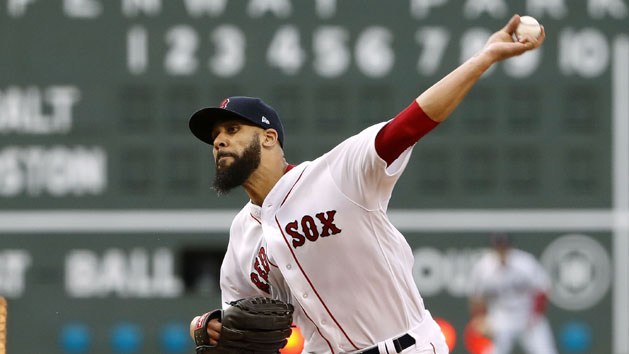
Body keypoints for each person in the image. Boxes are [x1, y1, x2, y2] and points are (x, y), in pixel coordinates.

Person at [188, 15, 545, 354]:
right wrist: (211, 326)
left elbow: (410, 124)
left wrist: (483, 58)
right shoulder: (242, 236)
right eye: (216, 136)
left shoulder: (336, 173)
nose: (220, 141)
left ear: (268, 138)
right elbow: (243, 329)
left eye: (233, 130)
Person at [467, 233, 558, 354]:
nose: (501, 250)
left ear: (510, 247)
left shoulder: (525, 263)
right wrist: (480, 318)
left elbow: (542, 289)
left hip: (526, 316)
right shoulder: (483, 267)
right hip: (500, 318)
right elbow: (476, 297)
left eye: (504, 247)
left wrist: (536, 315)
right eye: (498, 247)